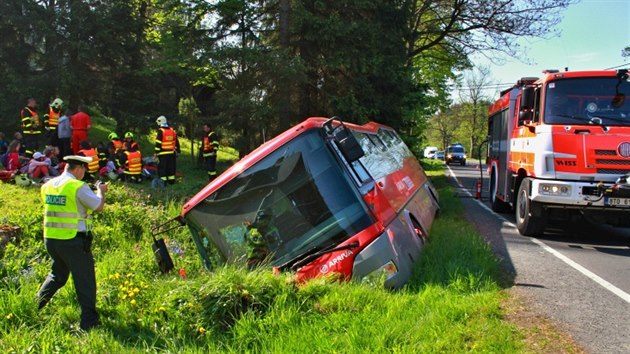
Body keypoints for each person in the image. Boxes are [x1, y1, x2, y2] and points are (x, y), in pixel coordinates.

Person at [36, 155, 107, 332]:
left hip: (51, 239)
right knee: (85, 280)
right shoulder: (78, 186)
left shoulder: (48, 185)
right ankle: (88, 321)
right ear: (79, 169)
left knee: (57, 275)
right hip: (73, 240)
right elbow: (98, 206)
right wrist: (101, 191)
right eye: (84, 170)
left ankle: (35, 305)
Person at [154, 116, 180, 185]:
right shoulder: (172, 131)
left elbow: (158, 143)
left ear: (160, 122)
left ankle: (163, 183)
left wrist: (156, 152)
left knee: (162, 168)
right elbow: (176, 142)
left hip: (162, 154)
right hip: (171, 153)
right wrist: (178, 151)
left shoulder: (161, 131)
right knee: (171, 168)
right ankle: (171, 182)